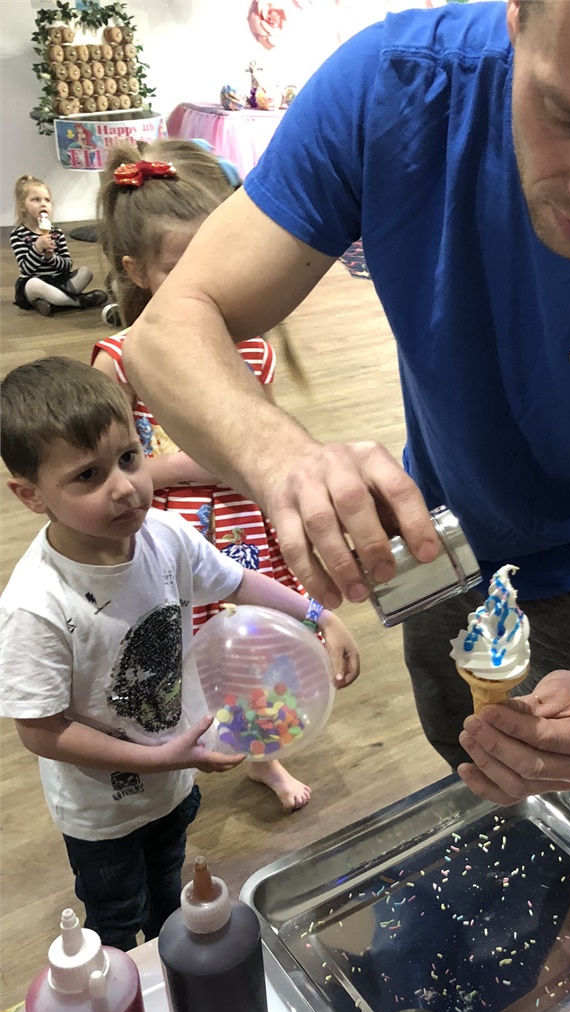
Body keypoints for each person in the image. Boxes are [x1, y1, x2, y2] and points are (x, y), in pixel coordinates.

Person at [122, 0, 570, 809]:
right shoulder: (396, 88)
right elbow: (168, 331)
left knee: (568, 803)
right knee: (454, 750)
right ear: (516, 18)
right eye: (565, 115)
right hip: (440, 538)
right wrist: (279, 458)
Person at [0, 357, 358, 950]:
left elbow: (236, 583)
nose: (123, 486)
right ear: (31, 496)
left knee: (169, 887)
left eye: (128, 458)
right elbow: (39, 731)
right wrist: (164, 758)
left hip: (174, 780)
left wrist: (320, 615)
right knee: (117, 917)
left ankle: (173, 962)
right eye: (87, 476)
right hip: (102, 811)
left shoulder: (165, 535)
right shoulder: (34, 605)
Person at [93, 138, 345, 813]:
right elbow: (109, 473)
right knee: (178, 645)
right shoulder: (119, 359)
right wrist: (199, 460)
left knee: (252, 647)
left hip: (242, 531)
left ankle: (264, 753)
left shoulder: (253, 347)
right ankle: (175, 747)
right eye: (179, 266)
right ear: (137, 270)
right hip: (173, 536)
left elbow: (262, 443)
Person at [10, 174, 107, 316]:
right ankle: (79, 301)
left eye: (47, 200)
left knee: (86, 272)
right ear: (22, 206)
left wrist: (51, 258)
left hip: (59, 282)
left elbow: (67, 266)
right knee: (33, 285)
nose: (43, 204)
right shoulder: (18, 235)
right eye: (36, 200)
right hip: (36, 282)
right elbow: (26, 269)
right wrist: (37, 248)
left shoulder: (56, 233)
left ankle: (53, 302)